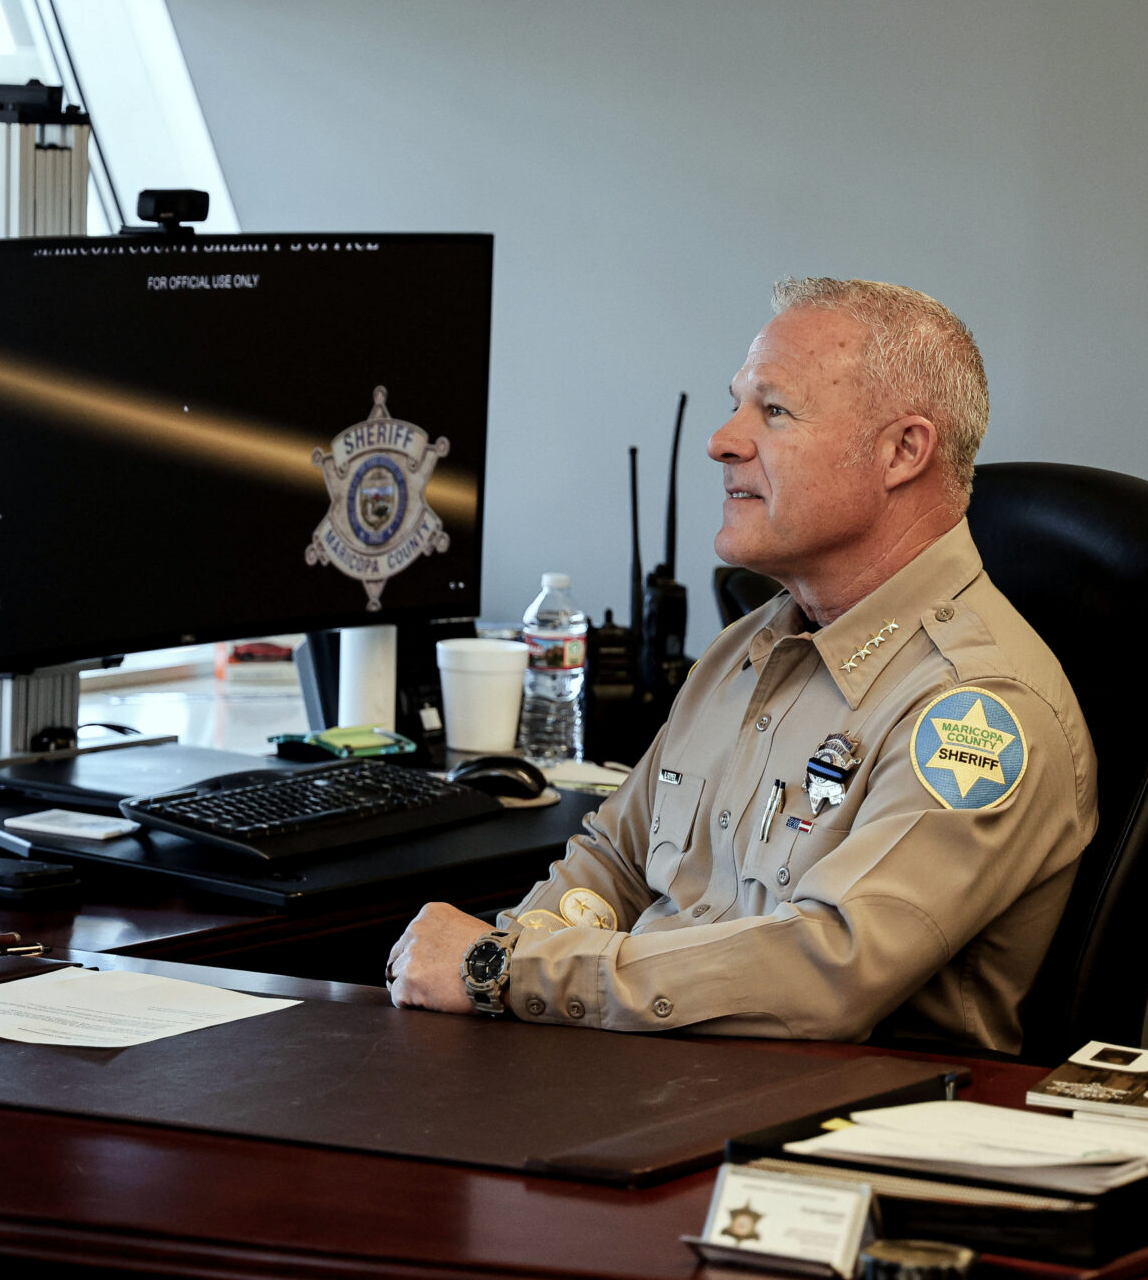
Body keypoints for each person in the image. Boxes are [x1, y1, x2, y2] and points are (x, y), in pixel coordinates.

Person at [386, 279, 1098, 1050]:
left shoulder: (978, 709)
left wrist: (506, 972)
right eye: (736, 405)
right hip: (636, 1077)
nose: (722, 440)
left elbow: (830, 970)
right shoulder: (748, 646)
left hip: (818, 1130)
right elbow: (617, 862)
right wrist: (506, 955)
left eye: (774, 410)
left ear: (903, 452)